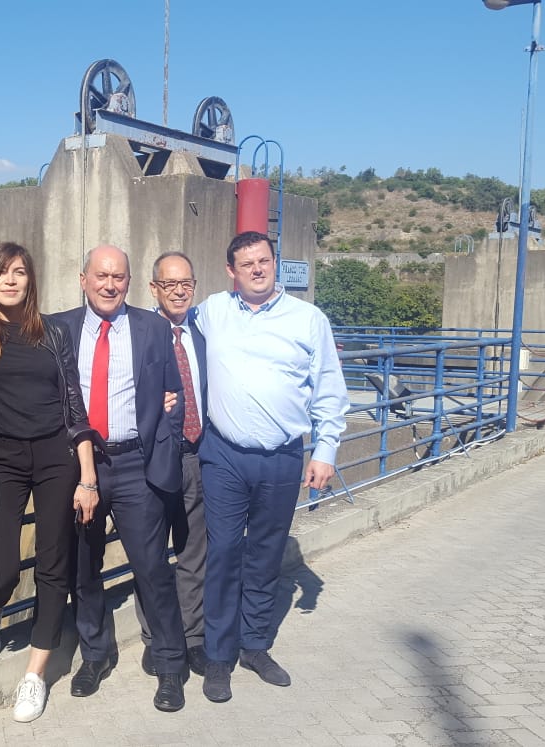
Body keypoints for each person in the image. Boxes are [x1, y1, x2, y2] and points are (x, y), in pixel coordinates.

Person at [194, 231, 349, 704]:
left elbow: (328, 386)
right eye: (247, 264)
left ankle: (255, 645)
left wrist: (325, 450)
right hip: (223, 454)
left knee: (265, 554)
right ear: (231, 271)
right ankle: (218, 655)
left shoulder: (308, 319)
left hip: (283, 456)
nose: (258, 269)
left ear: (274, 262)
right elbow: (167, 328)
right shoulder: (212, 311)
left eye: (264, 260)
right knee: (223, 553)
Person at [0, 242, 98, 723]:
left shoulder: (53, 332)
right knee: (5, 565)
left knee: (54, 563)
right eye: (1, 272)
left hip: (56, 457)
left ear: (31, 280)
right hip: (4, 457)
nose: (11, 280)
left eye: (19, 272)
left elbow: (74, 402)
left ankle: (35, 673)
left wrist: (88, 474)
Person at [52, 245, 189, 713]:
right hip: (80, 468)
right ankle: (95, 654)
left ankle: (170, 664)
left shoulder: (153, 328)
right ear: (83, 279)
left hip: (135, 465)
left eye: (119, 277)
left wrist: (164, 442)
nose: (110, 285)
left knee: (152, 569)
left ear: (129, 282)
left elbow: (174, 392)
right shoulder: (58, 328)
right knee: (83, 569)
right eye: (101, 275)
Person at [135, 251, 210, 678]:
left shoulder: (203, 332)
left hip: (196, 455)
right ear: (154, 288)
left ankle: (193, 637)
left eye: (186, 284)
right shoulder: (140, 332)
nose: (179, 292)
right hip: (151, 460)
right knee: (150, 557)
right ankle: (156, 638)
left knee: (194, 552)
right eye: (169, 284)